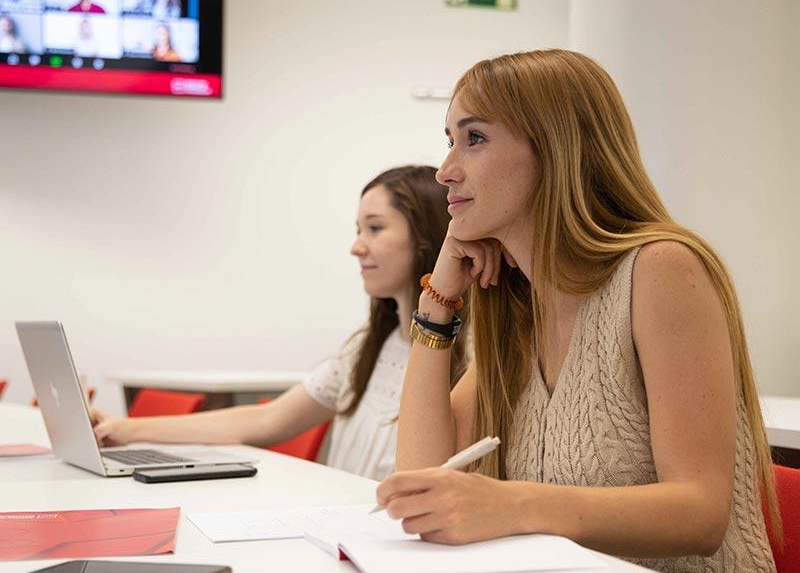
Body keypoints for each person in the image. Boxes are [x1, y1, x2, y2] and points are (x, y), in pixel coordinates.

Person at [375, 50, 779, 572]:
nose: (446, 171)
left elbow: (700, 514)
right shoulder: (519, 310)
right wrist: (440, 298)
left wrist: (512, 506)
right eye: (449, 141)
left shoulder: (661, 270)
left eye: (474, 139)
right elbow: (422, 478)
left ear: (557, 150)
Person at [91, 166, 469, 481]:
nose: (357, 246)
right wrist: (124, 430)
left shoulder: (468, 355)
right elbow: (265, 419)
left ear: (424, 239)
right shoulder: (367, 350)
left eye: (374, 228)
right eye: (358, 230)